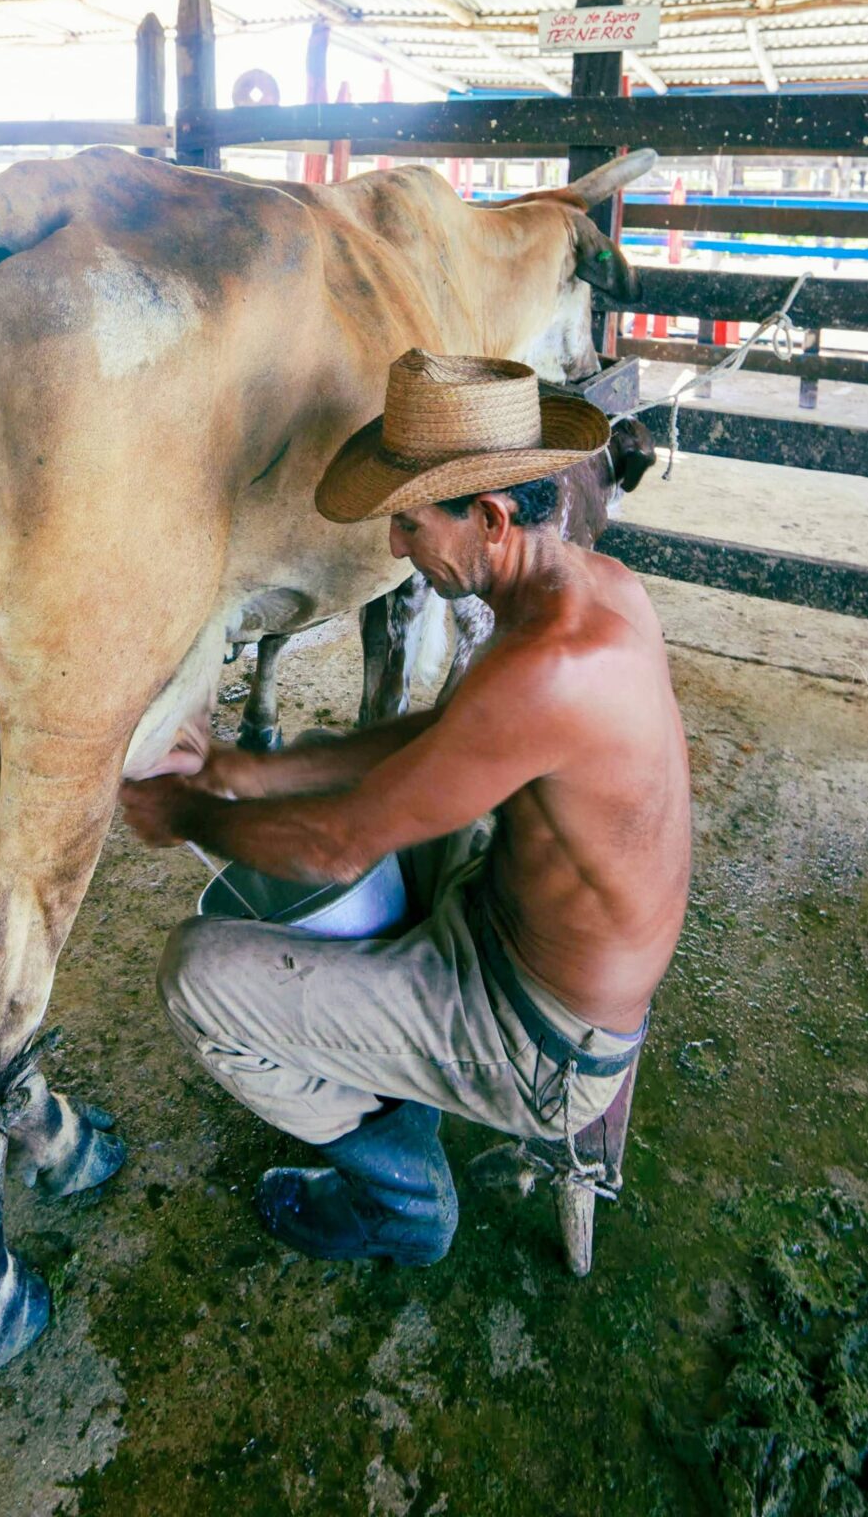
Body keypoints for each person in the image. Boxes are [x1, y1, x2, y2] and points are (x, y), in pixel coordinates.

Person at [118, 350, 691, 1266]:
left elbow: (336, 845)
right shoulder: (587, 589)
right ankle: (396, 1055)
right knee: (409, 809)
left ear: (492, 519)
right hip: (523, 942)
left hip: (537, 1040)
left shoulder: (547, 673)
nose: (395, 548)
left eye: (410, 523)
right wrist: (244, 772)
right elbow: (445, 735)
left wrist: (187, 813)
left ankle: (401, 1197)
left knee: (198, 978)